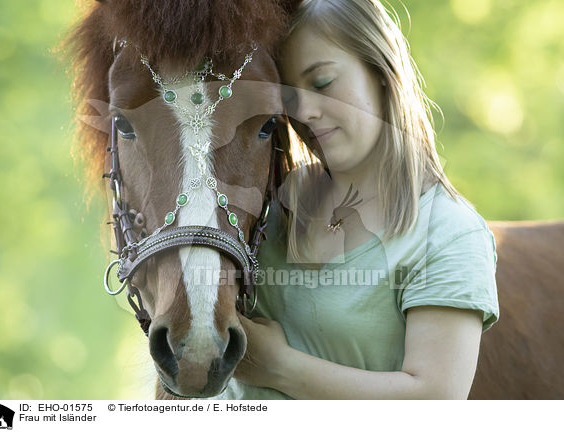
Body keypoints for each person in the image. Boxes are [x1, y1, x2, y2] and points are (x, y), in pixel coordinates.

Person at [214, 0, 500, 399]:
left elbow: (437, 401)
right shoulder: (270, 205)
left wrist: (280, 368)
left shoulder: (449, 234)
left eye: (322, 83)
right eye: (290, 100)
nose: (305, 113)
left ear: (381, 71)